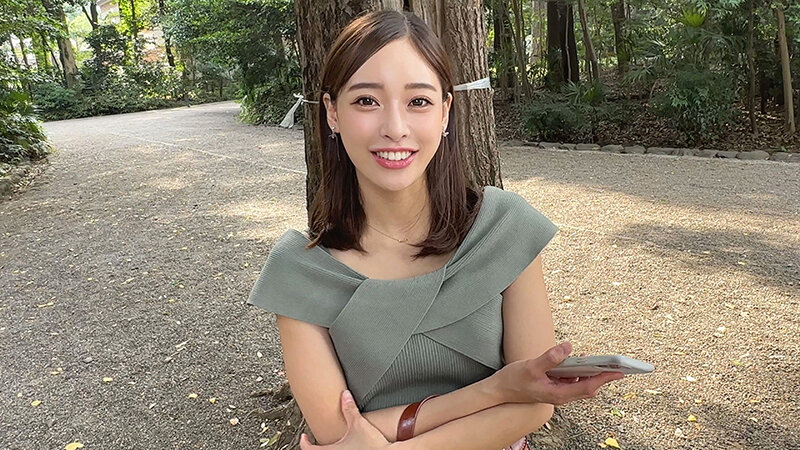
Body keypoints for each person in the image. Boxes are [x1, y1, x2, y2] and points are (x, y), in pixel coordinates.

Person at [247, 9, 624, 450]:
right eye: (366, 100)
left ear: (445, 112)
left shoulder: (503, 229)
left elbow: (536, 404)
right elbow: (336, 433)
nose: (395, 128)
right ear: (332, 112)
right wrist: (497, 389)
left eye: (418, 102)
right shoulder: (299, 271)